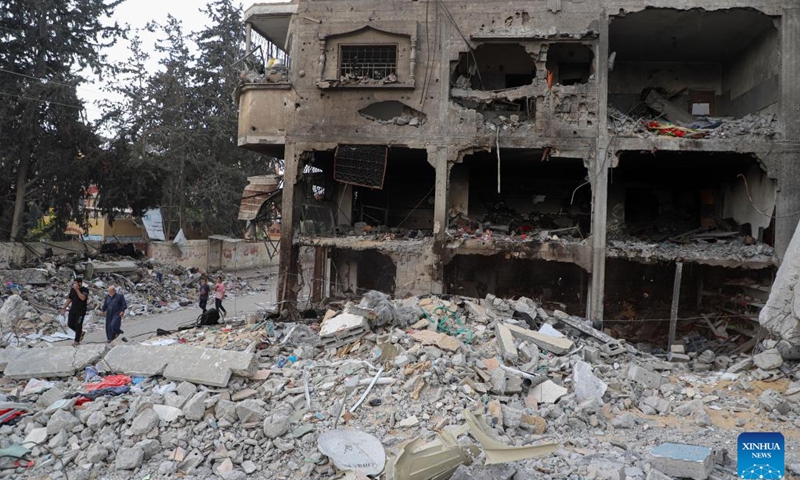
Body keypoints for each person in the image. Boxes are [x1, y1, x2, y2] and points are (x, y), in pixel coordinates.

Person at [62, 277, 88, 346]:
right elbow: (69, 298)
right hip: (73, 309)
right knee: (70, 324)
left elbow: (82, 298)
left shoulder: (85, 290)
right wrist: (64, 307)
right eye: (74, 283)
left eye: (76, 283)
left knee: (78, 325)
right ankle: (80, 333)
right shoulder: (72, 290)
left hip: (81, 311)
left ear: (80, 283)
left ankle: (76, 341)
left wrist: (77, 290)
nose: (74, 285)